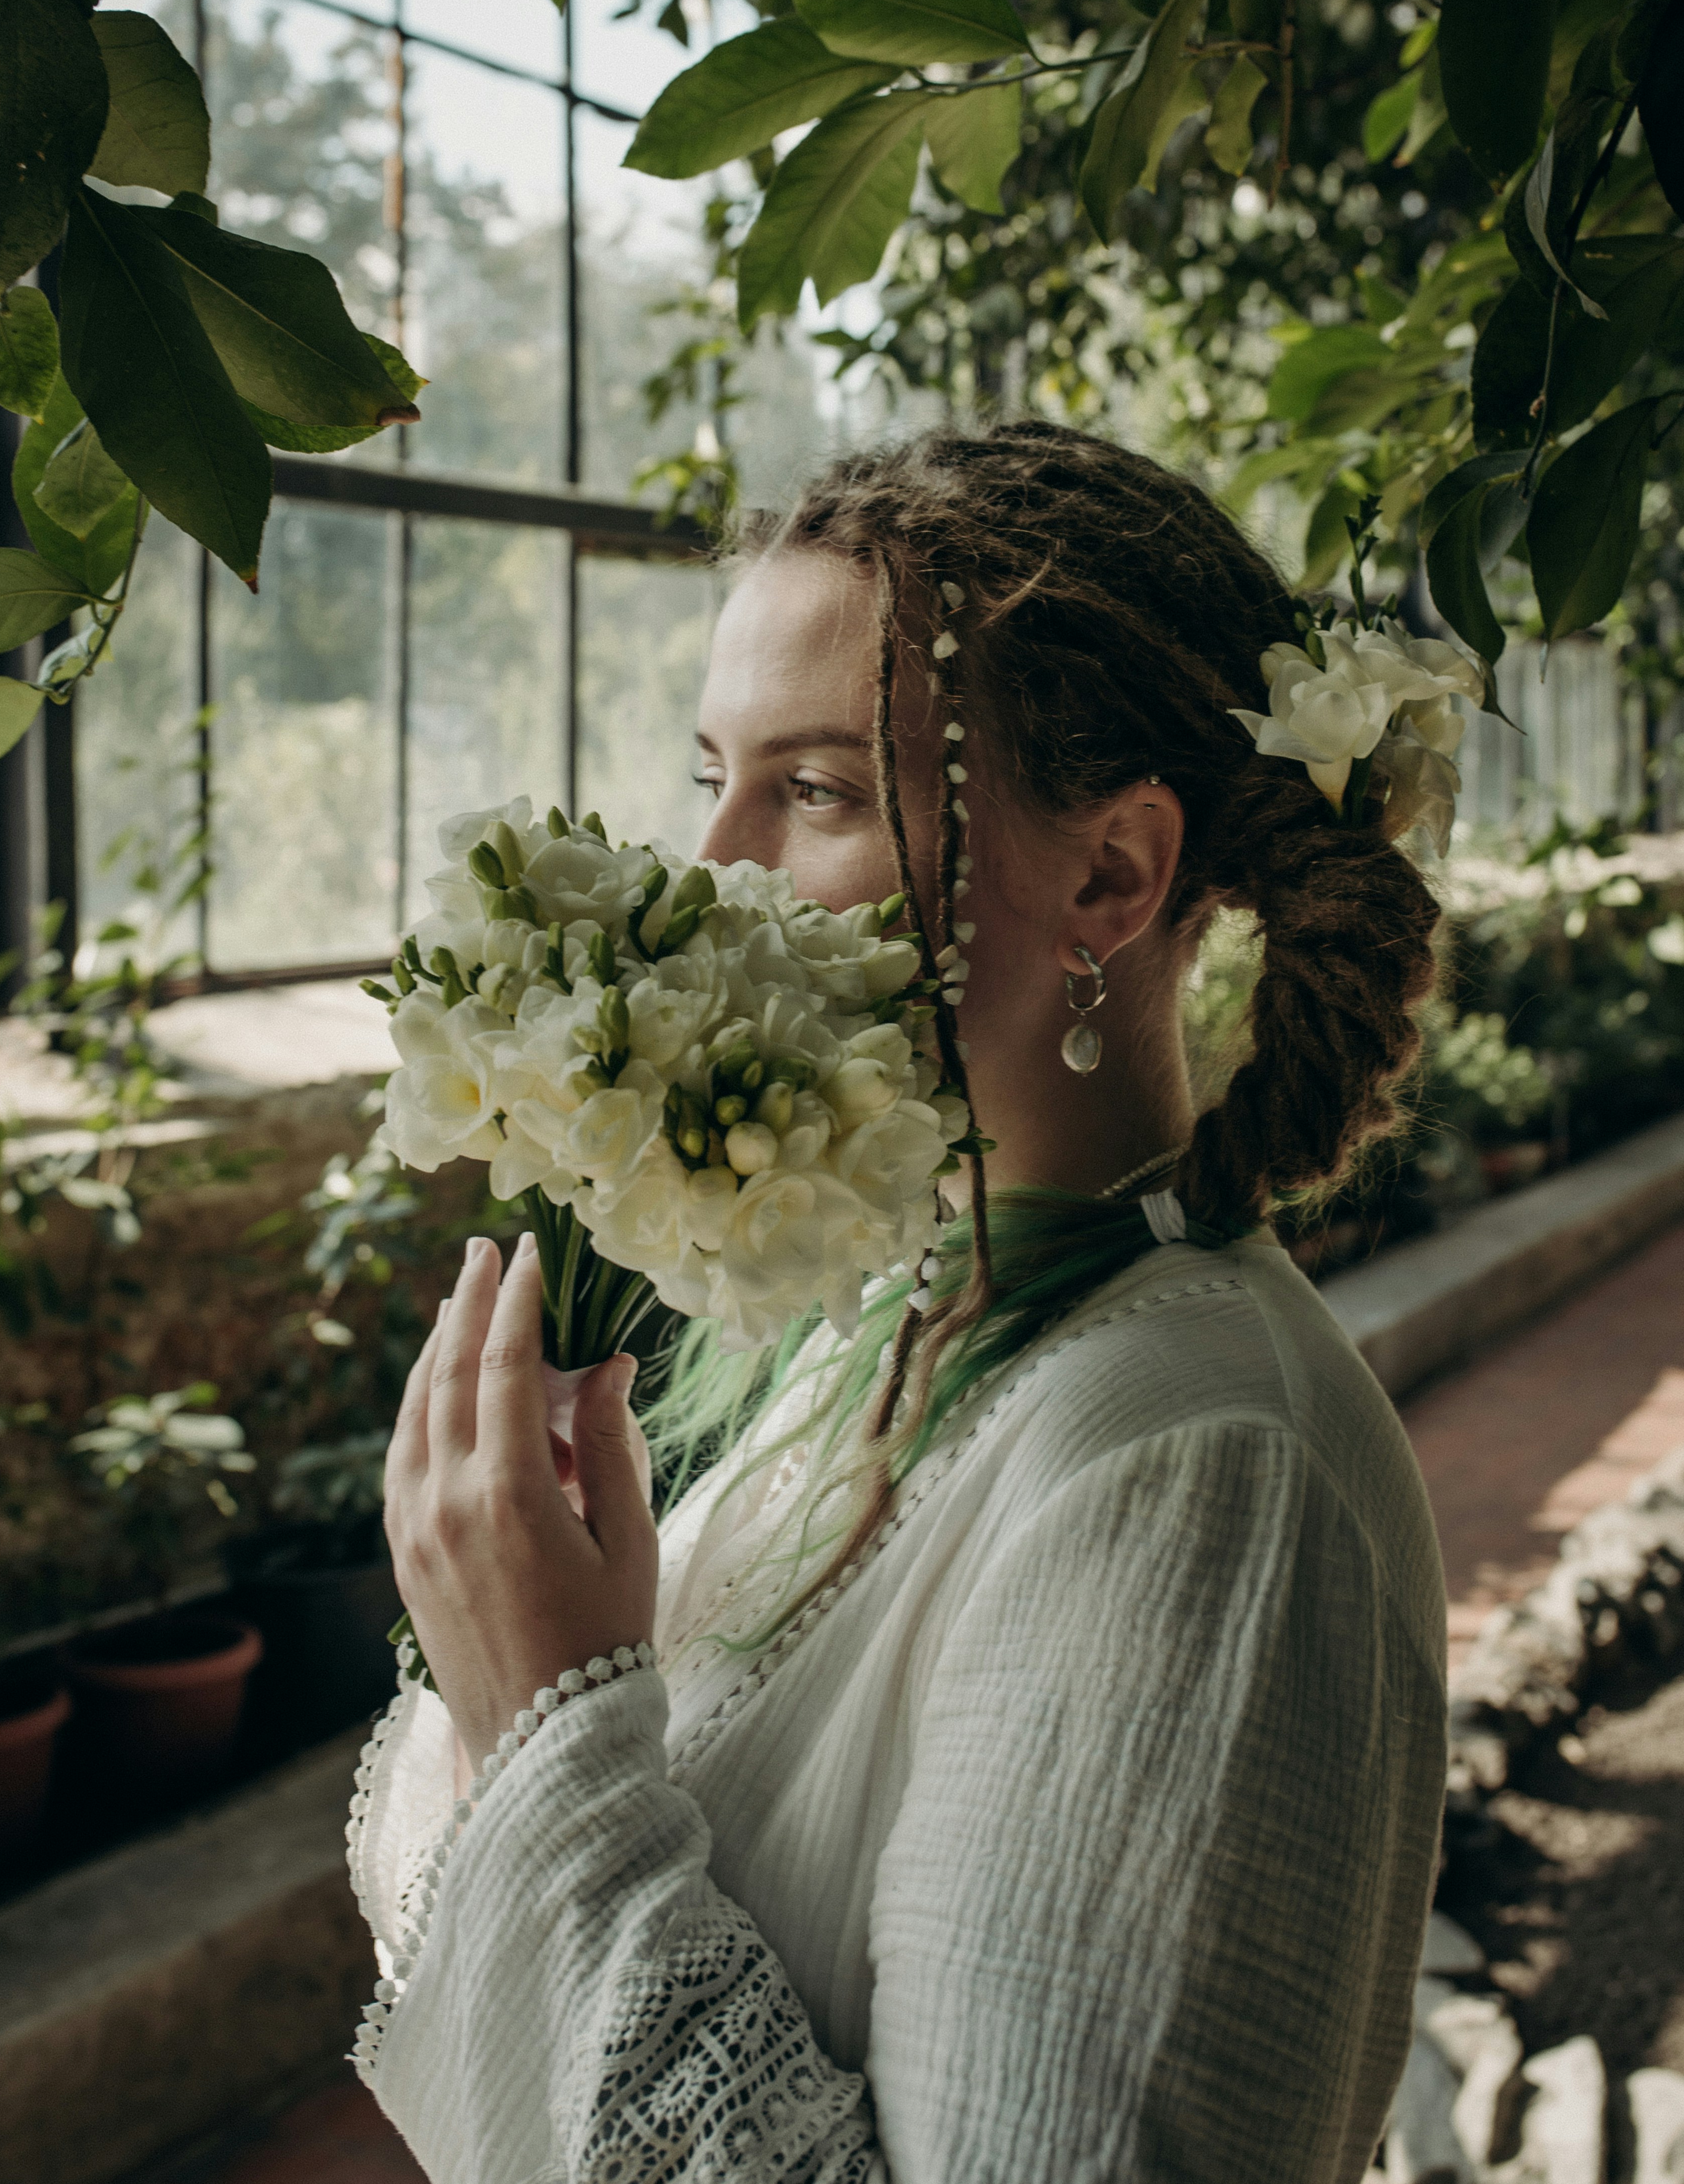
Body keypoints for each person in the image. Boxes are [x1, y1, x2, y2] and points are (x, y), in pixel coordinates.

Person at [350, 422, 1450, 2182]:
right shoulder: (847, 1322)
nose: (704, 869)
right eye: (710, 772)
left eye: (815, 792)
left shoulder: (1200, 1470)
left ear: (1112, 872)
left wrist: (552, 1733)